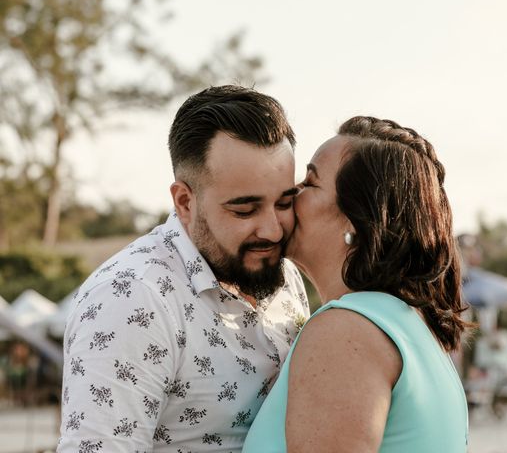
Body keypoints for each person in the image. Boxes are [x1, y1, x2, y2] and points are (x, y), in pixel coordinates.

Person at [58, 85, 309, 452]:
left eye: (284, 202)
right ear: (185, 202)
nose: (272, 230)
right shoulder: (131, 300)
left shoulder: (284, 274)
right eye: (244, 210)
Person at [243, 116, 470, 452]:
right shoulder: (409, 326)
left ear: (357, 218)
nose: (291, 193)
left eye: (309, 182)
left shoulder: (344, 331)